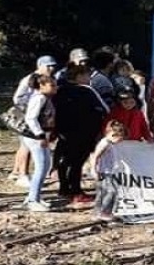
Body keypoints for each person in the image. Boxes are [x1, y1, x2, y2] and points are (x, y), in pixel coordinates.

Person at [53, 64, 109, 204]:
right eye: (87, 76)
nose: (89, 79)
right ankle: (76, 192)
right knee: (77, 163)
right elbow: (105, 109)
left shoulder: (59, 90)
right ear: (79, 76)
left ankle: (64, 189)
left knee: (64, 161)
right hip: (84, 133)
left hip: (63, 132)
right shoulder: (86, 90)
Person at [10, 55, 58, 186]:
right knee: (25, 145)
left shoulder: (50, 79)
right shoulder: (29, 79)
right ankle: (22, 174)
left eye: (53, 66)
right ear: (39, 65)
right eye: (48, 66)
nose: (51, 68)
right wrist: (31, 106)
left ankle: (17, 172)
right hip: (29, 117)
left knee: (29, 146)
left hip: (42, 118)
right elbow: (17, 98)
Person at [21, 75, 58, 212]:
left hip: (43, 135)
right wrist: (40, 135)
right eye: (51, 85)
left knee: (45, 166)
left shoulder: (46, 98)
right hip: (36, 137)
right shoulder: (39, 98)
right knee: (41, 167)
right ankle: (32, 200)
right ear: (41, 85)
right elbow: (31, 118)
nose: (55, 88)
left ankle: (34, 195)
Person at [90, 120, 127, 222]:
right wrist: (93, 170)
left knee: (102, 193)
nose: (120, 141)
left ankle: (97, 213)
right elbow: (95, 156)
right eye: (120, 138)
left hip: (109, 172)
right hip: (103, 172)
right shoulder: (105, 143)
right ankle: (104, 212)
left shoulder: (111, 143)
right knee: (111, 191)